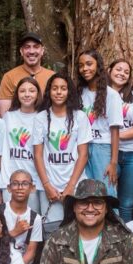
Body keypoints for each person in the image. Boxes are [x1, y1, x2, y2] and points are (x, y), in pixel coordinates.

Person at [32, 72, 91, 225]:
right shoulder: (41, 117)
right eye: (54, 88)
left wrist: (71, 186)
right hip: (49, 185)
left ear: (69, 92)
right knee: (52, 229)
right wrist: (47, 186)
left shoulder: (80, 117)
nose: (59, 92)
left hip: (75, 183)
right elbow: (37, 155)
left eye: (63, 88)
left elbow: (83, 154)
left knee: (77, 227)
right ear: (49, 92)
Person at [74, 49, 122, 197]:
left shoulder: (111, 95)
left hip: (102, 148)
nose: (85, 69)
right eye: (81, 65)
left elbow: (115, 130)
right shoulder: (79, 92)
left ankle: (112, 220)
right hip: (81, 147)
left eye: (89, 64)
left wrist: (113, 162)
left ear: (98, 66)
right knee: (84, 192)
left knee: (107, 193)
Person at [108, 58, 133, 220]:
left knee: (126, 203)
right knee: (107, 197)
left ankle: (124, 239)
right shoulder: (100, 95)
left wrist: (115, 137)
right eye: (118, 69)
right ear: (109, 70)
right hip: (109, 154)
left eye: (126, 72)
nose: (122, 74)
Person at [0, 76, 43, 212]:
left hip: (34, 180)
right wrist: (2, 181)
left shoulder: (42, 117)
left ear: (38, 94)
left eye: (32, 91)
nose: (27, 94)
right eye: (22, 91)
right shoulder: (8, 116)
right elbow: (1, 150)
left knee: (33, 220)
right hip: (10, 179)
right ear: (17, 94)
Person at [3, 170, 43, 264]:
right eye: (15, 184)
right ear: (9, 188)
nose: (20, 188)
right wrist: (15, 232)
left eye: (25, 184)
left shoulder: (35, 218)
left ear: (32, 188)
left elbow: (31, 251)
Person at [0, 32, 55, 116]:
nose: (31, 51)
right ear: (21, 51)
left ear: (42, 51)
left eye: (36, 47)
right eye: (27, 47)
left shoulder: (52, 77)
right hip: (19, 127)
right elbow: (5, 115)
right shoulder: (9, 77)